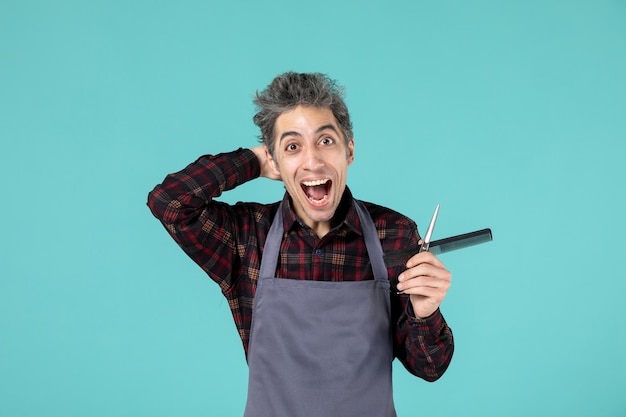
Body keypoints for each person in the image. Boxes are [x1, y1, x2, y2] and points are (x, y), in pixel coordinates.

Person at [147, 72, 454, 417]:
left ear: (349, 150)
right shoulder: (247, 235)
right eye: (293, 146)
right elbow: (170, 202)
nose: (313, 161)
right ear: (275, 161)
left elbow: (430, 368)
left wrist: (425, 311)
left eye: (326, 141)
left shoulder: (394, 233)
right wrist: (252, 161)